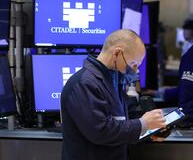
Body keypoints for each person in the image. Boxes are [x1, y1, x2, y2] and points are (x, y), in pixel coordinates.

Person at [61, 29, 166, 160]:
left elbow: (122, 119)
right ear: (117, 53)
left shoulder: (114, 79)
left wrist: (148, 129)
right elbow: (101, 131)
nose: (135, 70)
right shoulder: (84, 83)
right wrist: (142, 124)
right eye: (133, 64)